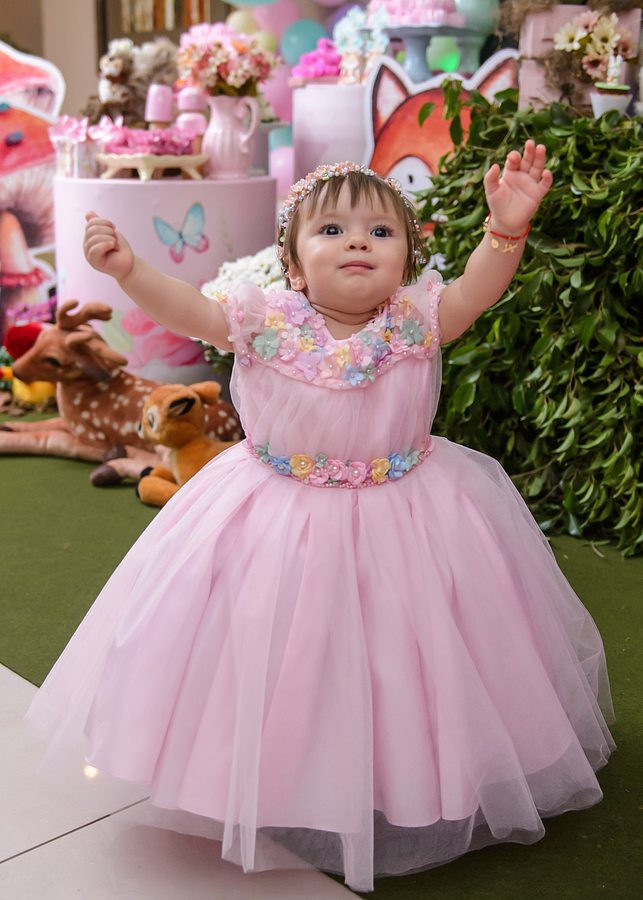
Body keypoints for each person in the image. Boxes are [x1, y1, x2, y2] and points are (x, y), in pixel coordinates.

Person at [26, 142, 615, 894]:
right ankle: (265, 774)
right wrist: (129, 270)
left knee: (403, 657)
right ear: (295, 265)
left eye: (380, 231)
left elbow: (478, 287)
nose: (357, 243)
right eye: (332, 230)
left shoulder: (417, 319)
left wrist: (506, 230)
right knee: (275, 650)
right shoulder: (259, 317)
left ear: (406, 258)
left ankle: (404, 775)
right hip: (273, 515)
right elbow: (188, 309)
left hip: (407, 514)